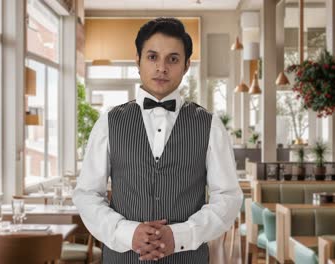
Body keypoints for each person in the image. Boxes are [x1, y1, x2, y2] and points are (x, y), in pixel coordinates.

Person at [73, 17, 242, 263]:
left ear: (185, 66)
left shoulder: (210, 125)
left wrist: (181, 234)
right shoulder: (108, 122)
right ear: (138, 62)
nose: (161, 67)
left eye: (172, 59)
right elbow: (87, 194)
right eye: (152, 57)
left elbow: (227, 198)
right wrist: (127, 233)